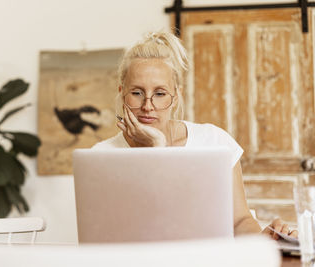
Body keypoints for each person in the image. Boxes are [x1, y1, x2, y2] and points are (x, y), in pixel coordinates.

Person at [92, 31, 297, 240]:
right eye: (137, 93)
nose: (147, 106)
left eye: (160, 94)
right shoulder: (101, 157)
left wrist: (265, 239)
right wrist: (155, 149)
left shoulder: (214, 142)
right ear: (122, 92)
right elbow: (109, 236)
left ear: (176, 96)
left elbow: (239, 222)